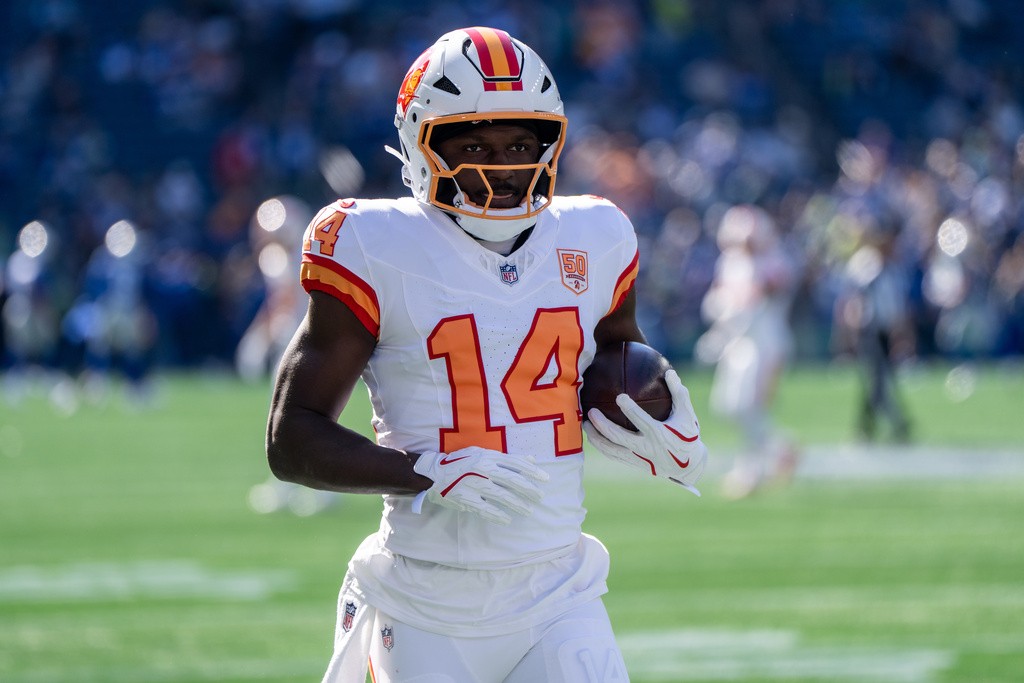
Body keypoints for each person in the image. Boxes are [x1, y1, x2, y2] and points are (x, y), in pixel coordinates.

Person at [265, 26, 708, 683]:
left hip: (560, 590)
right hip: (423, 598)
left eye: (520, 145)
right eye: (473, 144)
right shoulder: (374, 243)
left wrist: (664, 417)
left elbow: (616, 363)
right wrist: (424, 471)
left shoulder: (596, 235)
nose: (501, 166)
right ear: (421, 143)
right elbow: (291, 437)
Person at [696, 204, 799, 499]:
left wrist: (727, 314)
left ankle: (750, 471)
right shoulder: (730, 262)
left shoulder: (774, 261)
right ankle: (780, 448)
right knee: (727, 405)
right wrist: (719, 326)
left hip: (765, 343)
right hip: (738, 343)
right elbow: (721, 300)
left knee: (749, 406)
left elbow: (756, 300)